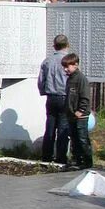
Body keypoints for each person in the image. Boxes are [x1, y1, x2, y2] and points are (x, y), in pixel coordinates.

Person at [37, 34, 70, 165]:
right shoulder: (69, 62)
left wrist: (43, 91)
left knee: (50, 126)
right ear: (67, 45)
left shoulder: (47, 61)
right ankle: (61, 157)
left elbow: (41, 80)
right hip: (64, 97)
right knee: (63, 127)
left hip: (51, 98)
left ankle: (46, 156)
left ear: (54, 46)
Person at [62, 53, 93, 170]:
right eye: (64, 67)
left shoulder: (81, 79)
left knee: (82, 138)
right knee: (74, 138)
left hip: (81, 116)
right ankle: (77, 159)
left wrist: (81, 110)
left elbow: (85, 96)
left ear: (75, 65)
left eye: (67, 67)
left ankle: (87, 161)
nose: (65, 69)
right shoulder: (70, 79)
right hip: (71, 115)